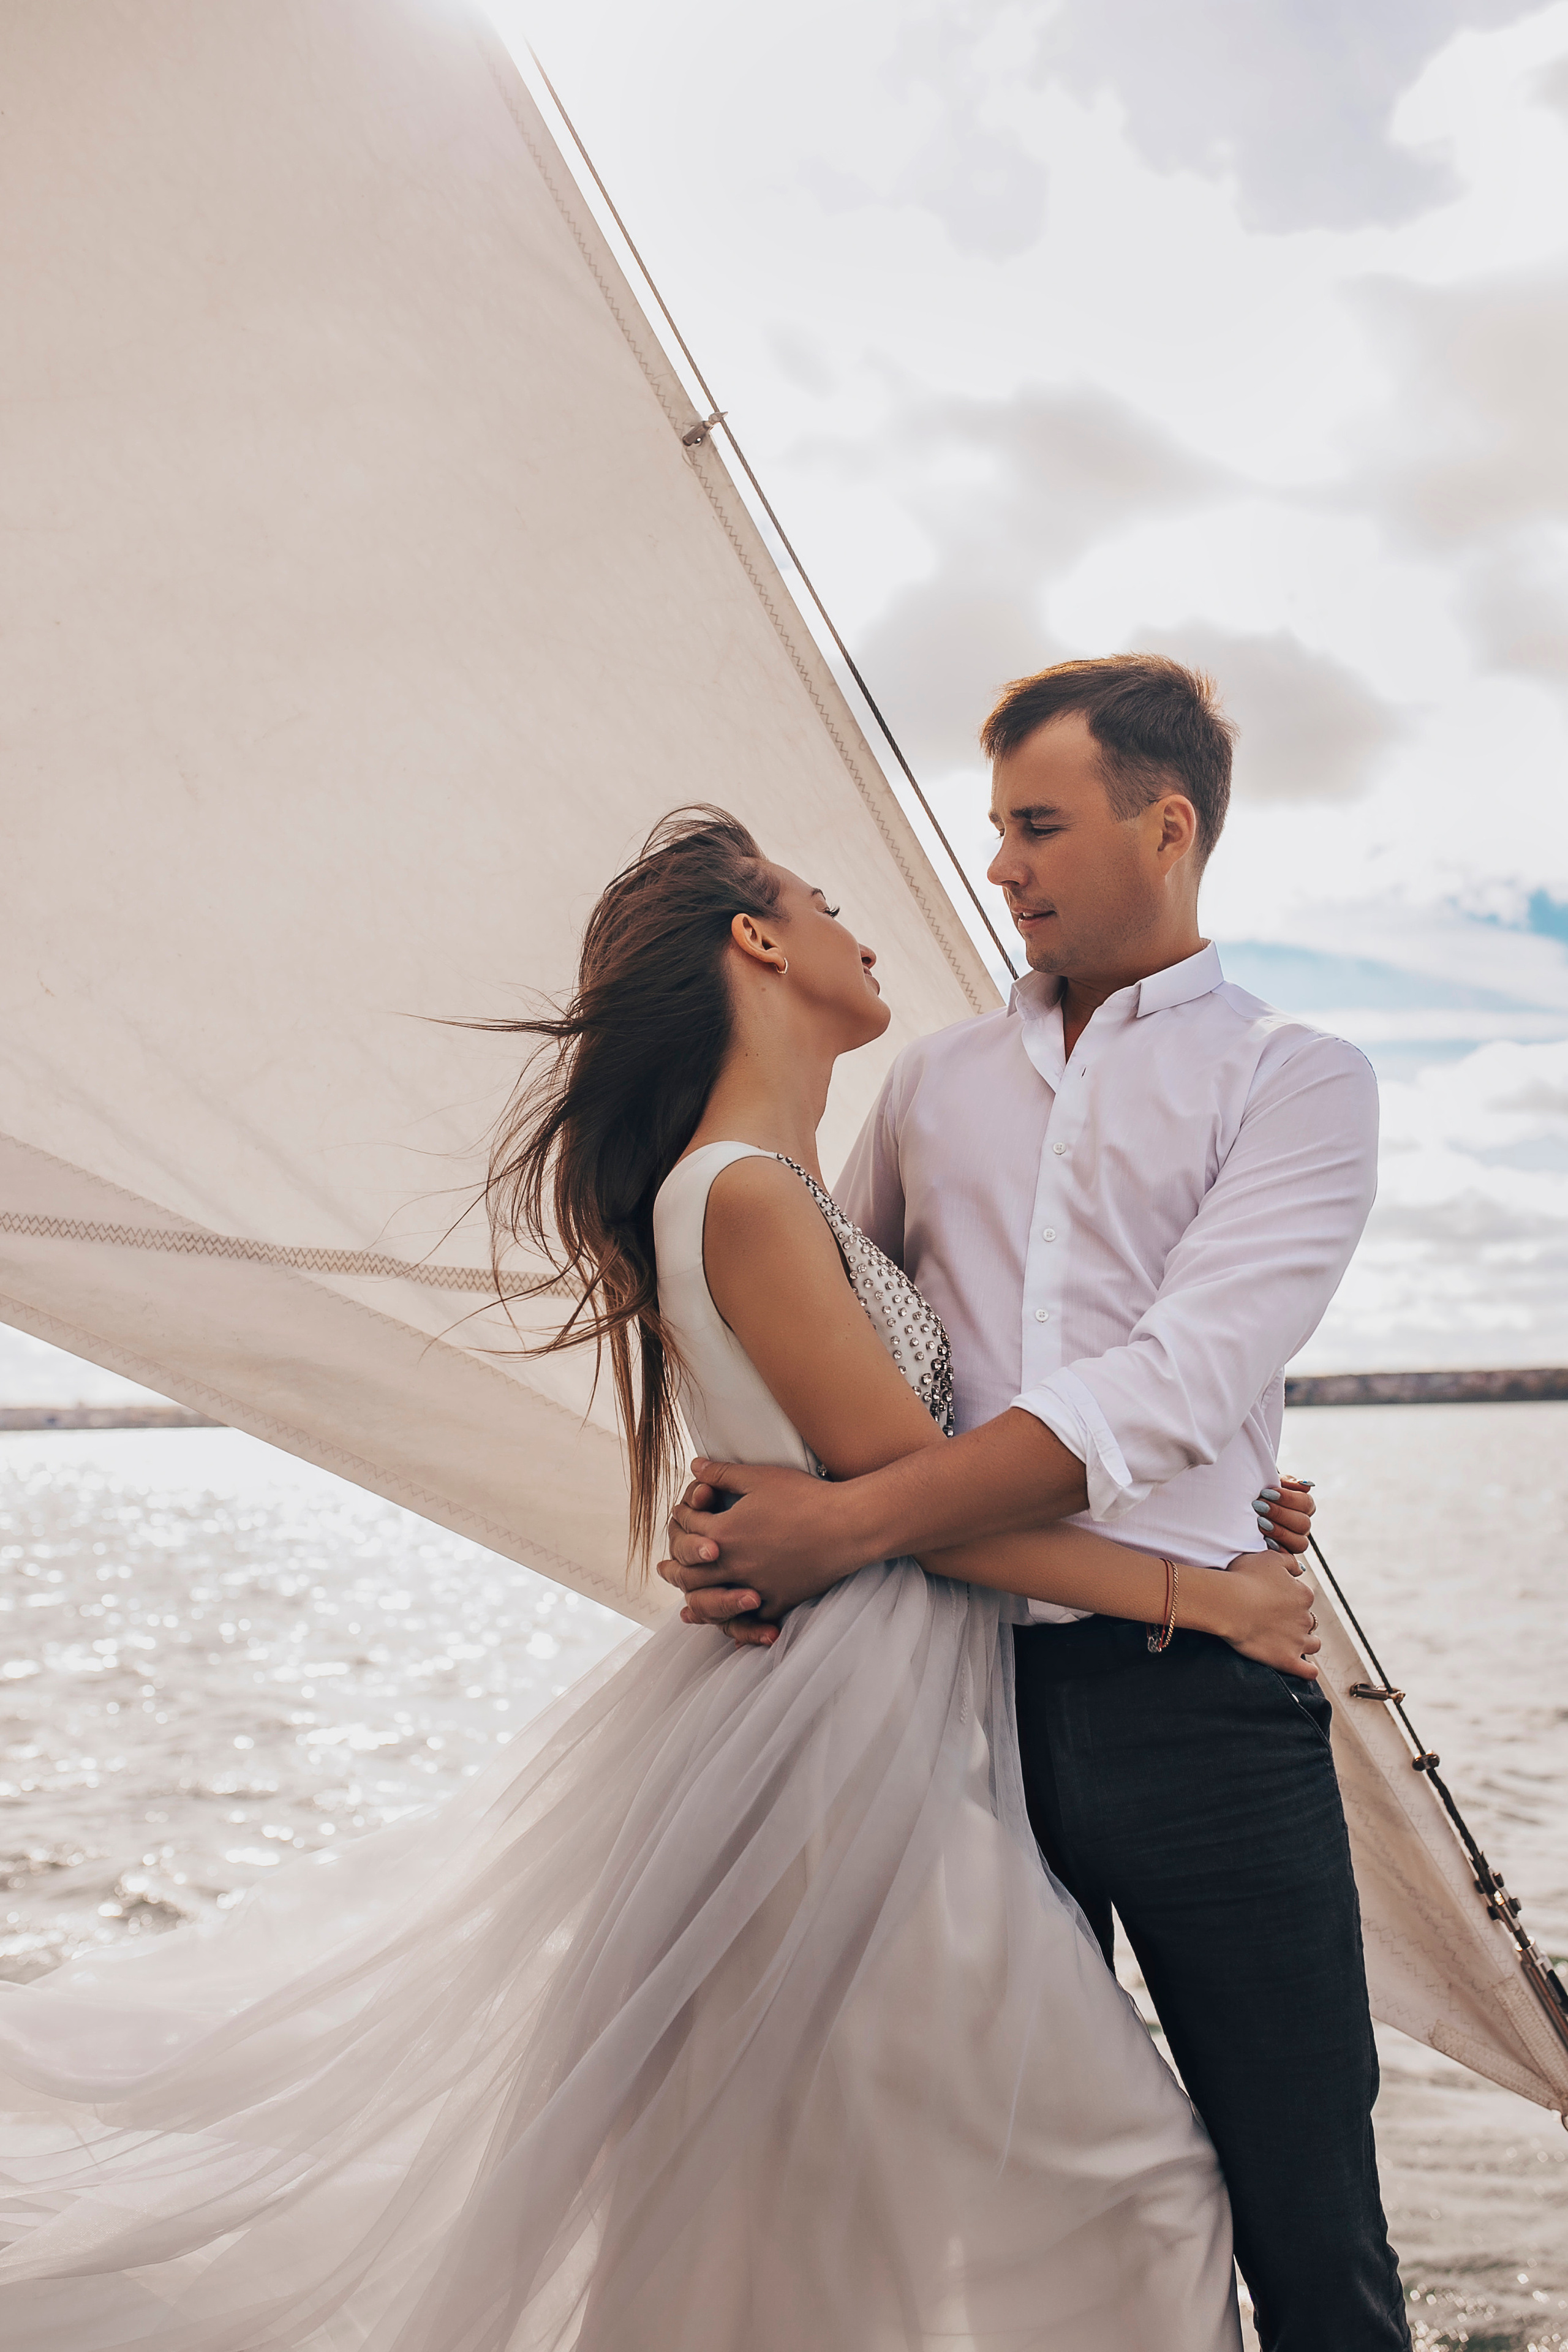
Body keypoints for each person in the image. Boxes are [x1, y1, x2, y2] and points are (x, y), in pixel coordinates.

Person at [0, 807, 1321, 2350]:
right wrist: (1201, 1597)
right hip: (847, 1771)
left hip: (873, 1746)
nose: (863, 932)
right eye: (824, 902)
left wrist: (1214, 1507)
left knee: (822, 2226)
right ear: (757, 940)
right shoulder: (743, 1193)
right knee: (1138, 2191)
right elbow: (925, 1509)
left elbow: (930, 1466)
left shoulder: (772, 1187)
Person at [662, 657, 1409, 2352]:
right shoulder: (930, 1086)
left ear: (1168, 826)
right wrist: (737, 1518)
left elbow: (1178, 1381)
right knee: (989, 2226)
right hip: (945, 1714)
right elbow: (837, 1343)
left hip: (1208, 1713)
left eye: (1038, 826)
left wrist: (846, 1526)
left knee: (1309, 2223)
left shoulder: (1297, 1078)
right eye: (996, 827)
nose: (998, 866)